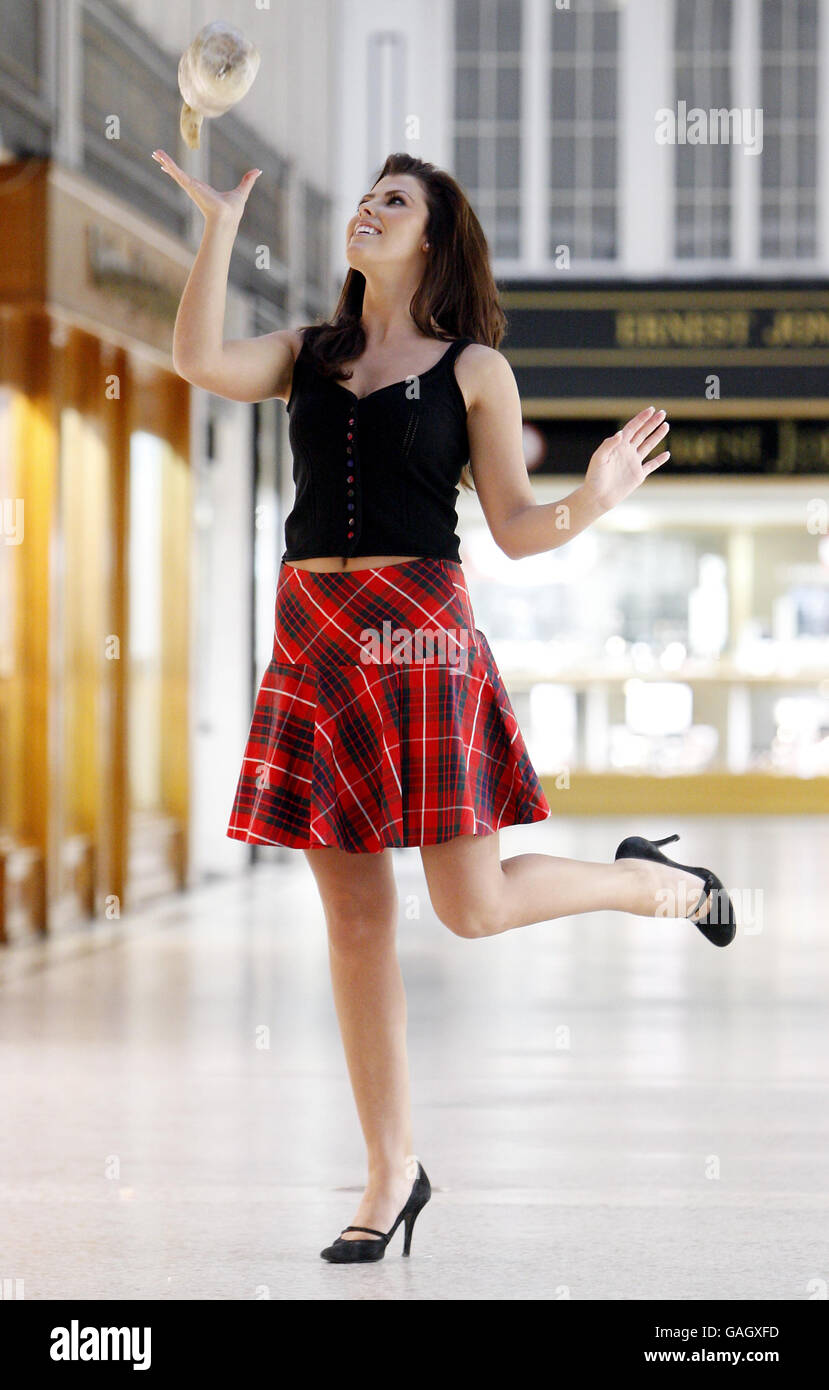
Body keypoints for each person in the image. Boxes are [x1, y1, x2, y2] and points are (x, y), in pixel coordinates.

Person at [155, 147, 737, 1265]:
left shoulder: (476, 369)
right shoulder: (307, 356)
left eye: (393, 202)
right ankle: (391, 1170)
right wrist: (221, 224)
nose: (367, 212)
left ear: (431, 236)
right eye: (365, 198)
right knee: (357, 926)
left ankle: (651, 883)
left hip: (421, 639)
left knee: (469, 908)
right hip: (315, 642)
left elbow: (514, 531)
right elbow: (194, 357)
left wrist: (594, 498)